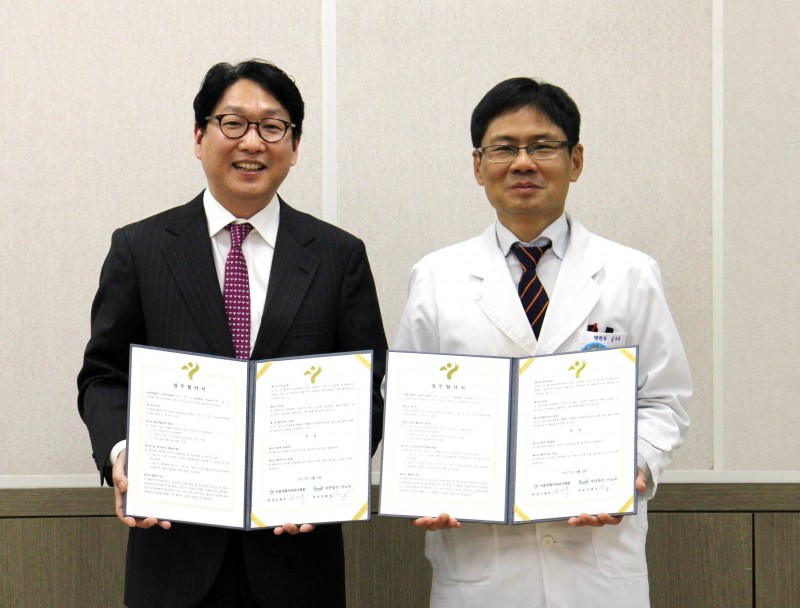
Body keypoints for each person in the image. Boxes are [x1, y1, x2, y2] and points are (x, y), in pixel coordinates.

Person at [77, 59, 387, 608]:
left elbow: (369, 390)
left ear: (294, 146)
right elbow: (103, 375)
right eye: (233, 123)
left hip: (298, 561)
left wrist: (328, 477)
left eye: (273, 126)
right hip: (173, 556)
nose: (253, 142)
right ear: (199, 137)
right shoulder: (140, 248)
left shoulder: (339, 256)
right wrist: (122, 453)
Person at [392, 77, 691, 607]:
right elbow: (408, 405)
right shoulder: (436, 276)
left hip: (596, 563)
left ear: (575, 161)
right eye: (504, 148)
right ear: (478, 165)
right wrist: (426, 482)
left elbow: (665, 400)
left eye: (542, 146)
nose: (523, 163)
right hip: (481, 561)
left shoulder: (630, 273)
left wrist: (634, 468)